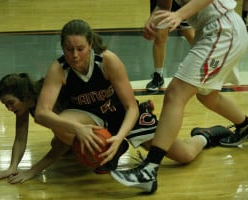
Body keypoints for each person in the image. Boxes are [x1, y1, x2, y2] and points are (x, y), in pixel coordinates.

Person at [34, 19, 231, 176]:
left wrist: (119, 137)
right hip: (91, 119)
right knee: (62, 123)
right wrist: (77, 128)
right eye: (69, 49)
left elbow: (131, 108)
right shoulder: (58, 69)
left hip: (124, 115)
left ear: (91, 44)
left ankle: (204, 136)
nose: (75, 55)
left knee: (185, 155)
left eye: (80, 49)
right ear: (62, 47)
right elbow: (42, 113)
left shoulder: (108, 61)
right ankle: (110, 152)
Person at [110, 0, 248, 194]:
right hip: (214, 31)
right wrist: (154, 19)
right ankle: (244, 125)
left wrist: (180, 14)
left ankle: (149, 169)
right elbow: (164, 6)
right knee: (207, 95)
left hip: (222, 29)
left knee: (176, 93)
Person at [0, 73, 70, 183]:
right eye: (5, 104)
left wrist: (32, 171)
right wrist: (12, 167)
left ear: (25, 96)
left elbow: (64, 144)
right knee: (58, 143)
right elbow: (20, 138)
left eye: (11, 102)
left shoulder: (46, 100)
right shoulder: (25, 102)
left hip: (95, 121)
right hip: (74, 125)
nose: (9, 108)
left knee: (63, 144)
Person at [146, 0, 195, 91]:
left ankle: (206, 69)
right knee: (160, 37)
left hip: (182, 3)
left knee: (190, 35)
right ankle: (158, 75)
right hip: (161, 3)